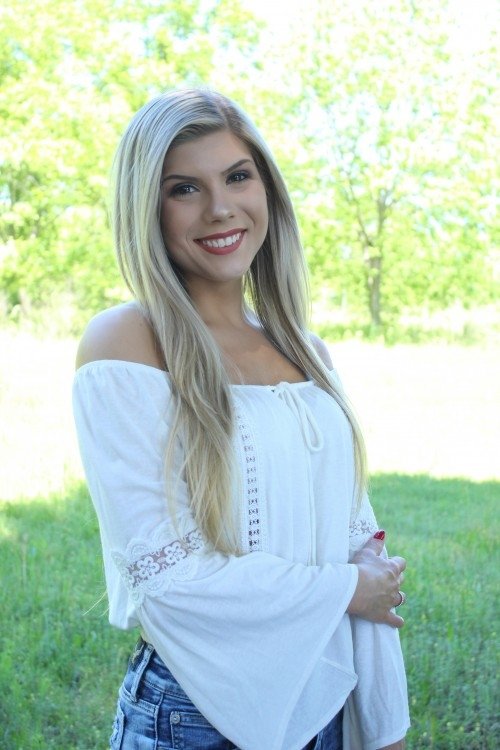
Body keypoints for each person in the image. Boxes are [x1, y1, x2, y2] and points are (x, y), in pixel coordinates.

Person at [72, 88, 410, 750]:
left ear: (267, 189)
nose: (220, 207)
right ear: (147, 208)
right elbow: (166, 581)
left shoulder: (308, 352)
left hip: (327, 705)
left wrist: (384, 727)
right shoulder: (126, 343)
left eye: (237, 176)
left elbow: (366, 558)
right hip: (195, 717)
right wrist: (345, 590)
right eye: (184, 189)